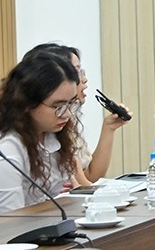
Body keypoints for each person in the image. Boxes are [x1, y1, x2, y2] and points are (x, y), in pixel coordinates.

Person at [23, 42, 127, 184]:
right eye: (77, 72)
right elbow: (83, 185)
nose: (84, 79)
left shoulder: (63, 119)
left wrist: (109, 128)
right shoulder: (48, 123)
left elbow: (89, 176)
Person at [0, 52, 84, 212]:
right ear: (26, 102)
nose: (67, 114)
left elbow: (63, 194)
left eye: (71, 103)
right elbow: (9, 223)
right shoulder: (7, 149)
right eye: (57, 106)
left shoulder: (52, 134)